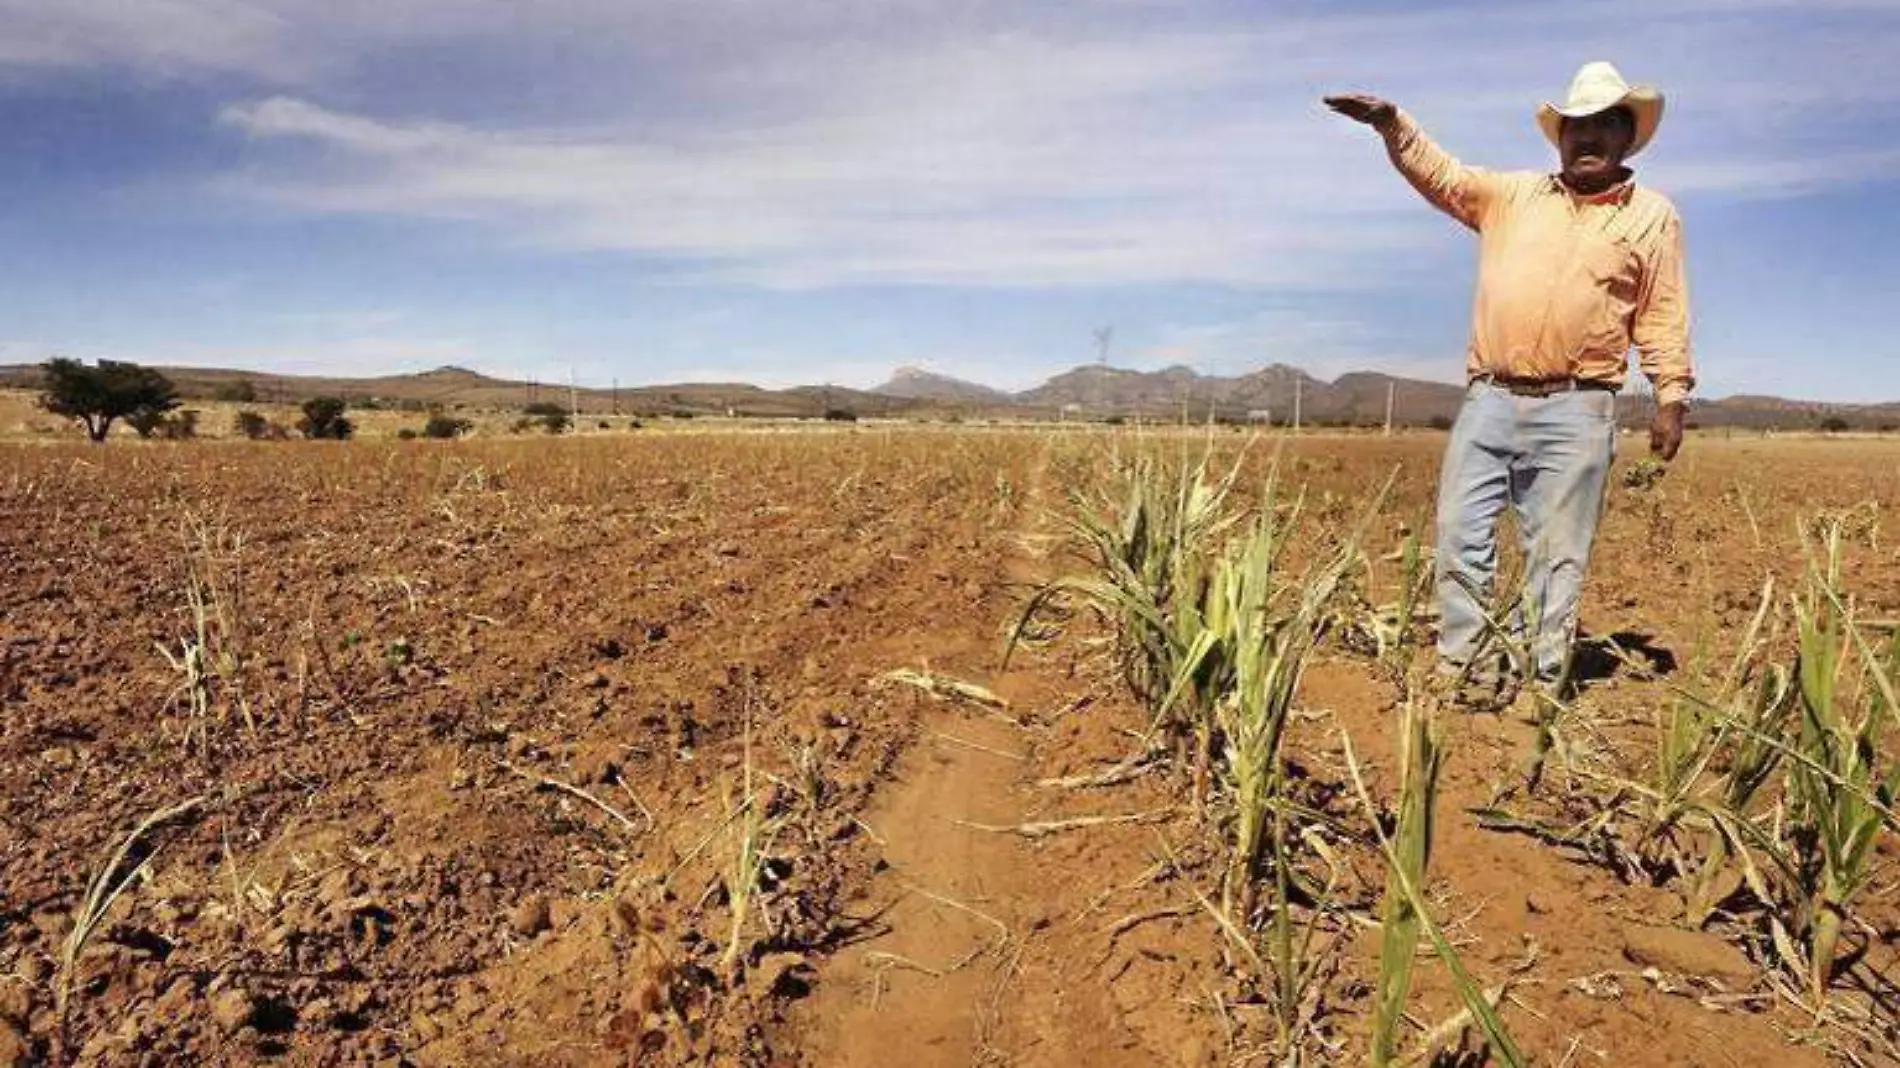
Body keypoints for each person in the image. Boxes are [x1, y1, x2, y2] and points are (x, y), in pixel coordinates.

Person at [1325, 62, 1694, 700]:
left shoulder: (1651, 216)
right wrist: (1392, 125)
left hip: (1579, 408)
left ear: (1626, 139)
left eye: (1605, 124)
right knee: (1462, 538)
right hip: (1490, 399)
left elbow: (1661, 310)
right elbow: (1443, 175)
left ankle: (1538, 685)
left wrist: (1671, 395)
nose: (1588, 138)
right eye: (1577, 125)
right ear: (1560, 137)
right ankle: (1466, 675)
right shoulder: (1512, 196)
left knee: (1557, 555)